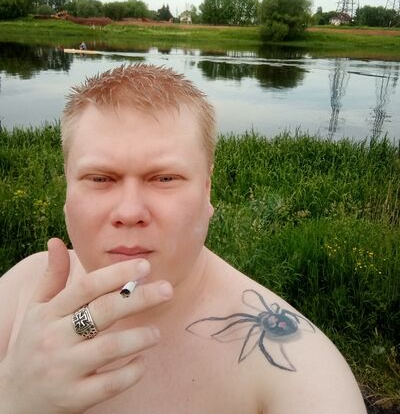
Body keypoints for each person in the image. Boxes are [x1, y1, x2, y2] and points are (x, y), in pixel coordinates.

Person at [0, 64, 367, 413]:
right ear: (67, 190)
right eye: (99, 178)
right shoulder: (20, 294)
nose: (130, 211)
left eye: (164, 179)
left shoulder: (299, 372)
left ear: (207, 191)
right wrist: (14, 398)